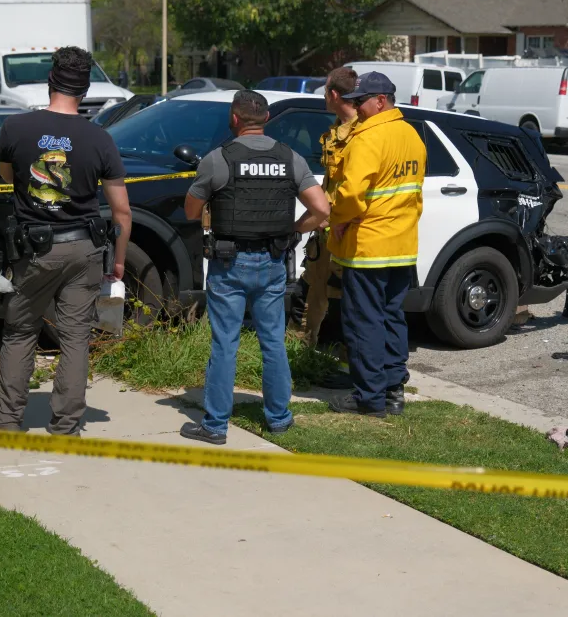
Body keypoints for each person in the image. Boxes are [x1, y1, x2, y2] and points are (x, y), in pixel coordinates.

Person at [0, 46, 132, 435]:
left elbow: (8, 177)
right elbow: (122, 212)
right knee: (76, 338)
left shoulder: (15, 128)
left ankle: (7, 420)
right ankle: (66, 426)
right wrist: (120, 262)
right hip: (84, 248)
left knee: (20, 331)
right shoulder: (100, 138)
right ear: (84, 89)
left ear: (50, 83)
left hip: (34, 250)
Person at [181, 90, 330, 444]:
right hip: (272, 262)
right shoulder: (289, 158)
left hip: (229, 264)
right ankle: (278, 418)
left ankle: (215, 426)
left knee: (224, 345)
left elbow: (190, 211)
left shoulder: (219, 159)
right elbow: (322, 210)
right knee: (273, 343)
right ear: (265, 119)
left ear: (234, 119)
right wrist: (295, 229)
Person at [326, 72, 426, 418]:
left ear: (380, 100)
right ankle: (393, 391)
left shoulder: (368, 138)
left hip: (368, 247)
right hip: (402, 246)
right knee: (392, 317)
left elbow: (352, 194)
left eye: (361, 100)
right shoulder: (412, 136)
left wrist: (337, 219)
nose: (356, 107)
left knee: (363, 322)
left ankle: (369, 398)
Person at [300, 66, 358, 389]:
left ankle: (354, 367)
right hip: (326, 229)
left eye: (325, 92)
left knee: (352, 300)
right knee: (316, 291)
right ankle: (308, 353)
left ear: (334, 95)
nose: (324, 97)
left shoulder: (364, 134)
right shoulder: (334, 131)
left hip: (350, 231)